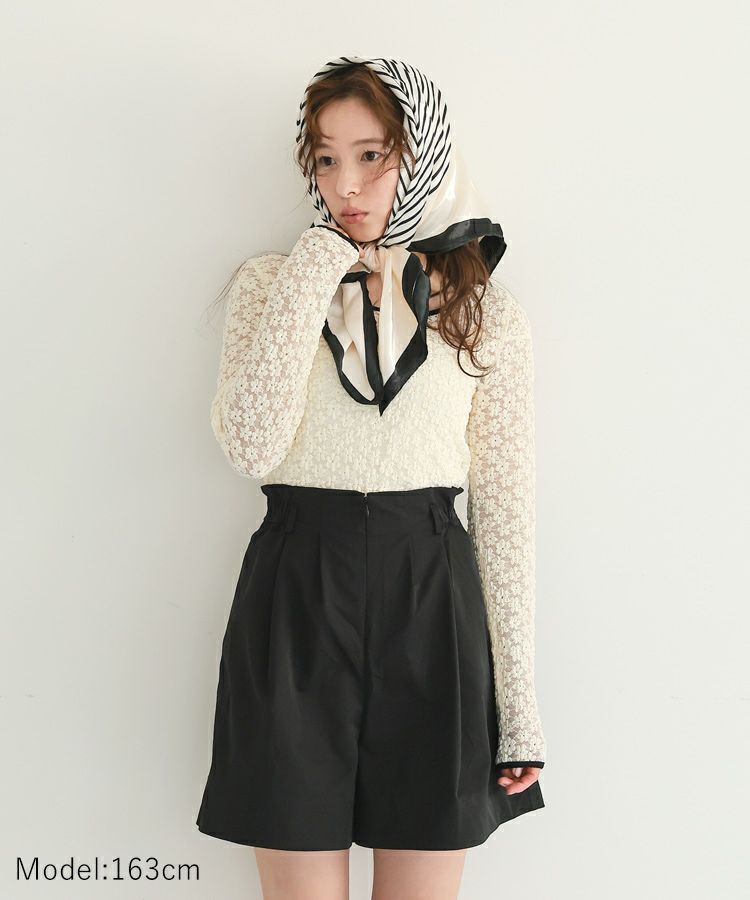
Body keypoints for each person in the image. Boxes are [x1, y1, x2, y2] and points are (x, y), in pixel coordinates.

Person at [195, 56, 546, 900]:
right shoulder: (270, 286)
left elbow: (505, 511)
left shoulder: (483, 310)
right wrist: (318, 263)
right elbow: (250, 446)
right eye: (325, 158)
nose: (346, 184)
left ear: (418, 157)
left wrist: (520, 709)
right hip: (295, 596)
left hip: (431, 597)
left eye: (372, 156)